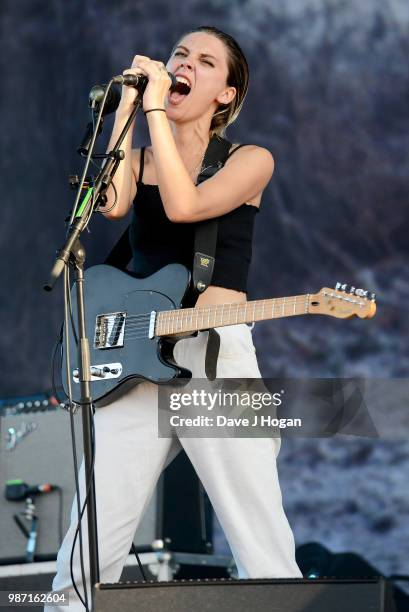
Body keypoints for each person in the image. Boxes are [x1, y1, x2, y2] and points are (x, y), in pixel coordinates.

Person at [46, 25, 302, 611]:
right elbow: (106, 205)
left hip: (214, 355)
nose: (185, 63)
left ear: (226, 95)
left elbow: (186, 205)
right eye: (180, 54)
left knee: (258, 532)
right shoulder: (136, 155)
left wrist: (156, 104)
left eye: (204, 61)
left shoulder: (250, 160)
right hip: (134, 355)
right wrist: (130, 108)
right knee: (92, 534)